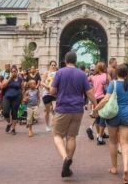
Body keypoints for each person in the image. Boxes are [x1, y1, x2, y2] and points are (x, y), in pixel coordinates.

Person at [50, 50, 96, 179]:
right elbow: (89, 93)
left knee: (57, 135)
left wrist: (53, 90)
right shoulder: (82, 74)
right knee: (71, 137)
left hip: (62, 108)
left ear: (65, 60)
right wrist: (96, 106)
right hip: (77, 109)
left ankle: (65, 158)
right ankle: (68, 164)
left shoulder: (59, 73)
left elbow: (53, 91)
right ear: (76, 61)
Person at [90, 63, 128, 183]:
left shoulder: (113, 84)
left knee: (113, 142)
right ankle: (126, 167)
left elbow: (106, 99)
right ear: (127, 74)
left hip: (113, 115)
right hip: (127, 114)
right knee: (125, 143)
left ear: (116, 73)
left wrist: (96, 109)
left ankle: (114, 167)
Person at [86, 61, 109, 144]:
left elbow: (85, 81)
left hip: (95, 98)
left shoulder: (92, 77)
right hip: (103, 97)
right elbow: (111, 85)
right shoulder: (105, 75)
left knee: (98, 116)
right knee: (102, 116)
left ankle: (98, 132)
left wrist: (91, 88)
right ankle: (99, 137)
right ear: (103, 68)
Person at [0, 67, 22, 133]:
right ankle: (9, 123)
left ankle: (13, 129)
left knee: (14, 113)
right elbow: (3, 86)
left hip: (16, 97)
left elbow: (22, 88)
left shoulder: (20, 79)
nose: (13, 73)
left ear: (17, 71)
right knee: (5, 112)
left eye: (14, 71)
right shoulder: (7, 78)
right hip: (7, 97)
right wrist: (10, 78)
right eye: (12, 71)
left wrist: (23, 98)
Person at [41, 59, 58, 132]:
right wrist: (48, 87)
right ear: (49, 66)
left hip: (54, 94)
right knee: (47, 111)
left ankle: (54, 123)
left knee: (55, 109)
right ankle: (47, 126)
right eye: (52, 65)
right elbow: (42, 82)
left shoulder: (58, 73)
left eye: (54, 65)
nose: (53, 66)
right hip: (47, 93)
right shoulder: (46, 73)